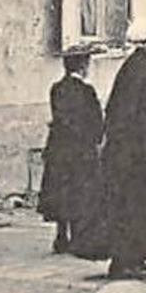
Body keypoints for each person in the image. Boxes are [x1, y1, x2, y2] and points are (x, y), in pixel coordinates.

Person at [71, 21, 146, 281]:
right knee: (135, 210)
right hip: (137, 159)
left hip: (131, 155)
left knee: (137, 210)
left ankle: (134, 259)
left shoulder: (136, 67)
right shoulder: (143, 68)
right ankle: (127, 262)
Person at [39, 45, 103, 254]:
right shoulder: (86, 91)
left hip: (59, 148)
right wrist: (95, 140)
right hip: (81, 151)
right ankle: (76, 237)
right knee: (80, 192)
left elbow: (59, 118)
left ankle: (60, 236)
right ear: (83, 66)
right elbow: (96, 122)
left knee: (61, 191)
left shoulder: (56, 88)